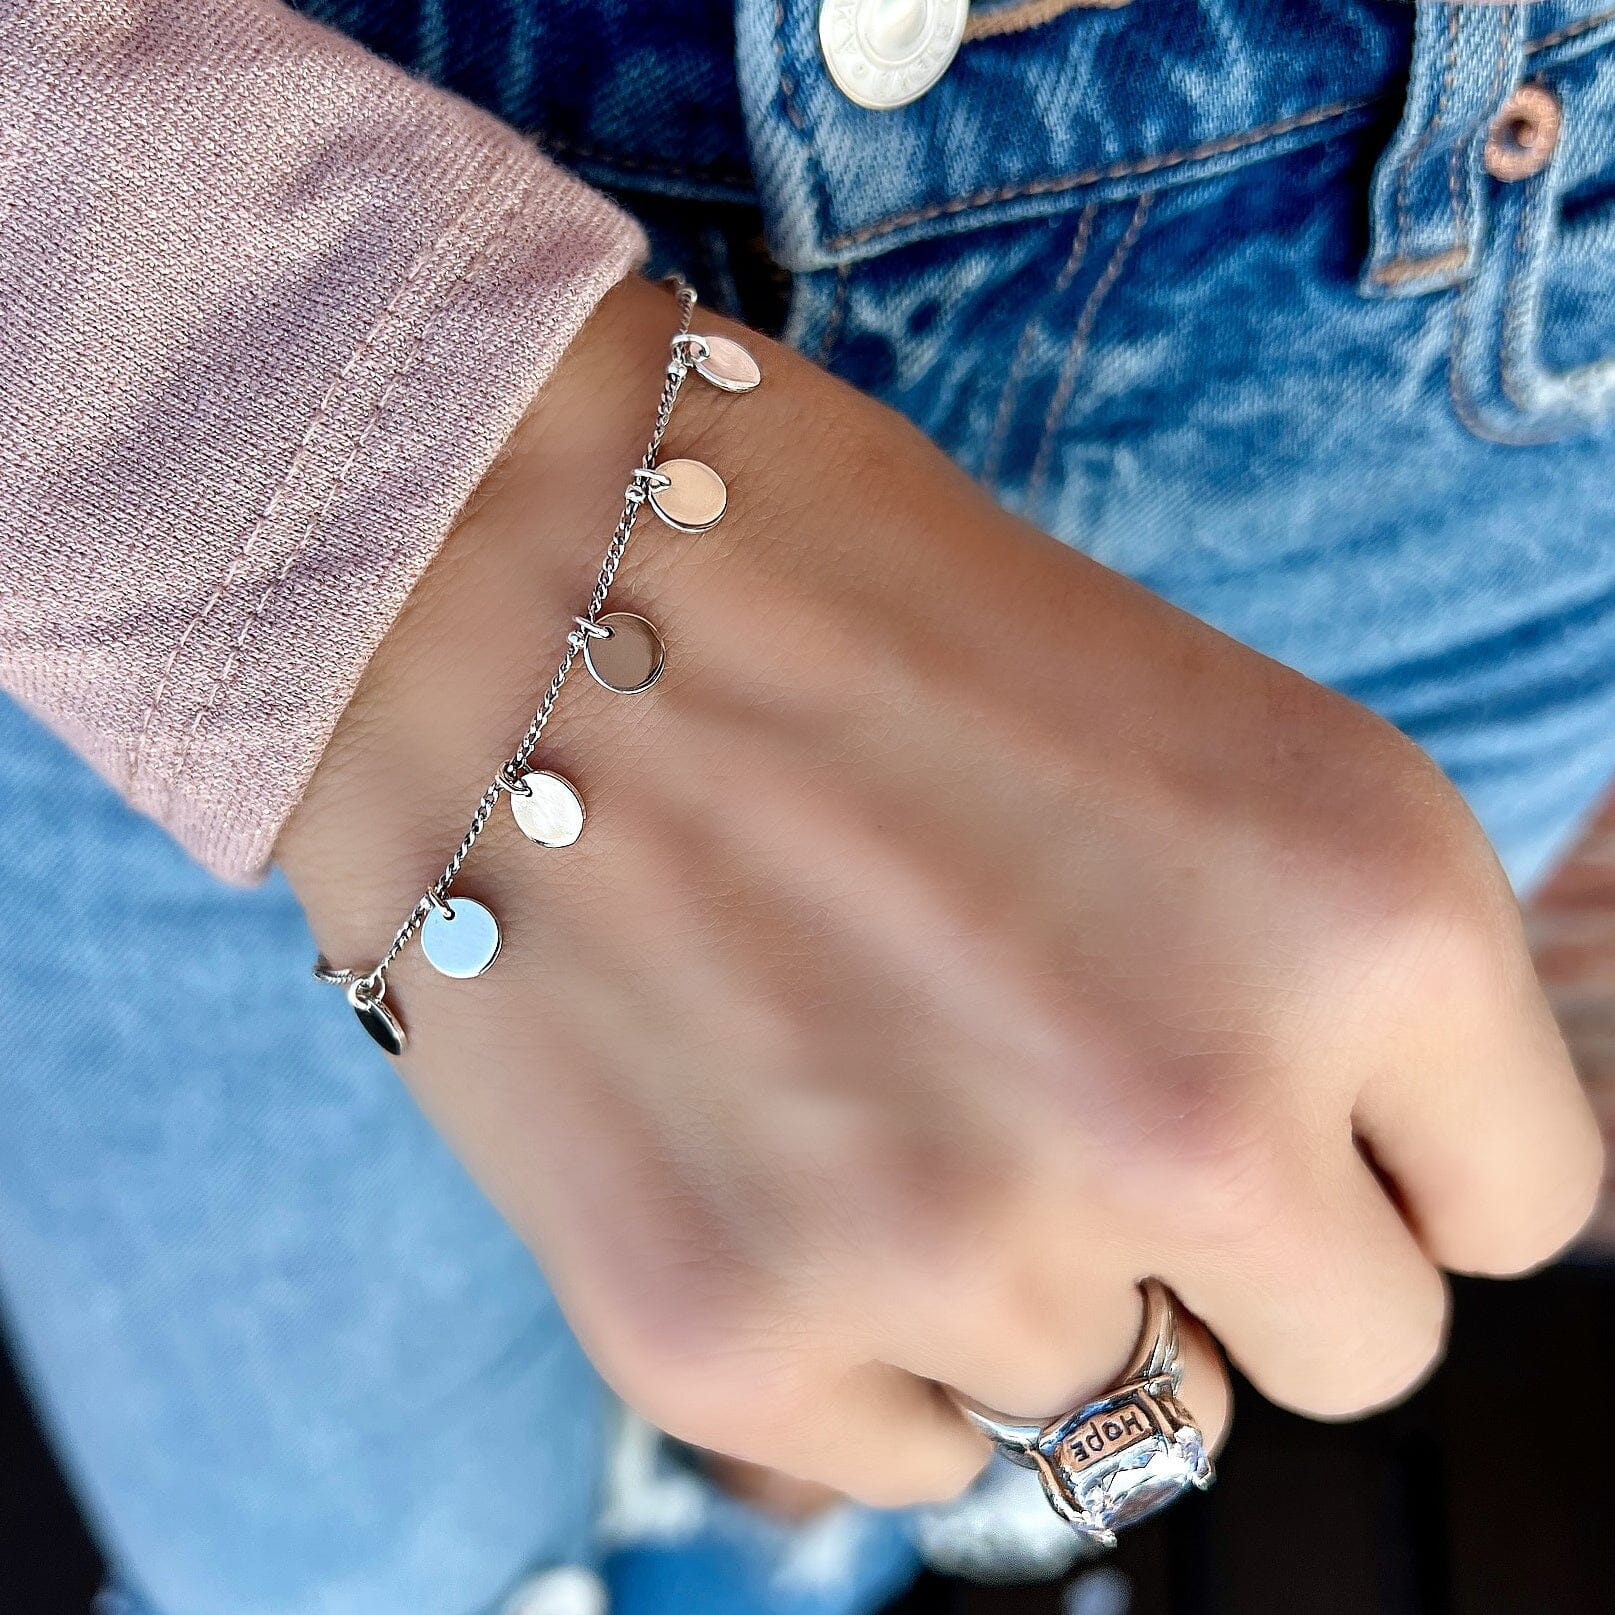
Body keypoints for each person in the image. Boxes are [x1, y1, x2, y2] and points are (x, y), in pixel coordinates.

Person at [2, 1, 1610, 1611]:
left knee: (1033, 1284)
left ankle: (779, 1525)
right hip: (199, 336)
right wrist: (380, 464)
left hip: (1481, 319)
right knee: (345, 1571)